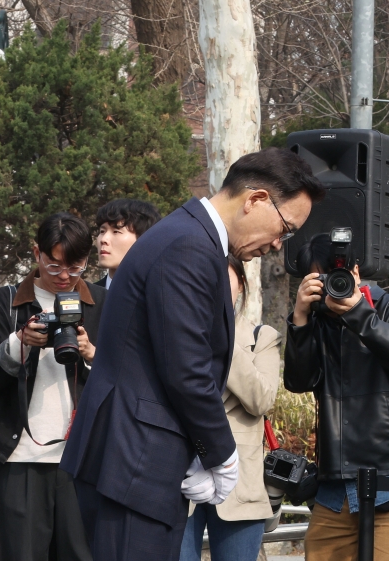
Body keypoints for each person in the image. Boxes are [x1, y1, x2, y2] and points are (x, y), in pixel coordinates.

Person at [61, 148, 323, 561]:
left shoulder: (189, 238)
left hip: (135, 456)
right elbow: (187, 367)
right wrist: (221, 456)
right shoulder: (189, 246)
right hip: (136, 459)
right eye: (284, 229)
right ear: (255, 199)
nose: (277, 245)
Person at [284, 233, 389, 561]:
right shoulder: (315, 322)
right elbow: (298, 381)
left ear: (354, 271)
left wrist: (358, 312)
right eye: (317, 279)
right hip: (335, 482)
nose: (328, 286)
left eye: (331, 275)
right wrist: (299, 319)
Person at [0, 212, 102, 561]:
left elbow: (129, 379)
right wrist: (18, 343)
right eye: (54, 265)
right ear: (36, 253)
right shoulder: (6, 302)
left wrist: (91, 354)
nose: (64, 277)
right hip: (22, 456)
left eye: (76, 268)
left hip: (84, 458)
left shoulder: (102, 304)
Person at [180, 256, 280, 561]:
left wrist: (221, 337)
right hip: (181, 477)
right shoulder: (177, 335)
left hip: (241, 480)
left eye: (224, 279)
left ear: (242, 285)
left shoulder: (263, 336)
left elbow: (262, 399)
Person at [93, 198, 161, 290]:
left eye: (116, 231)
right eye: (102, 231)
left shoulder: (159, 295)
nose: (104, 239)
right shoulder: (87, 297)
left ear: (143, 239)